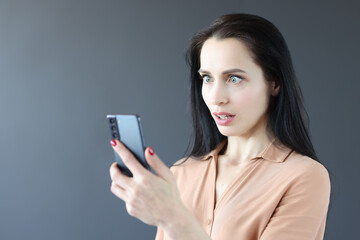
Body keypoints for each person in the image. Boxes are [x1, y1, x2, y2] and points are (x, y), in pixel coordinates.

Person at [109, 13, 331, 240]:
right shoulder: (181, 174)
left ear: (274, 83)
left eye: (234, 78)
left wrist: (172, 218)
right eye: (207, 78)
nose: (216, 98)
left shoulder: (304, 176)